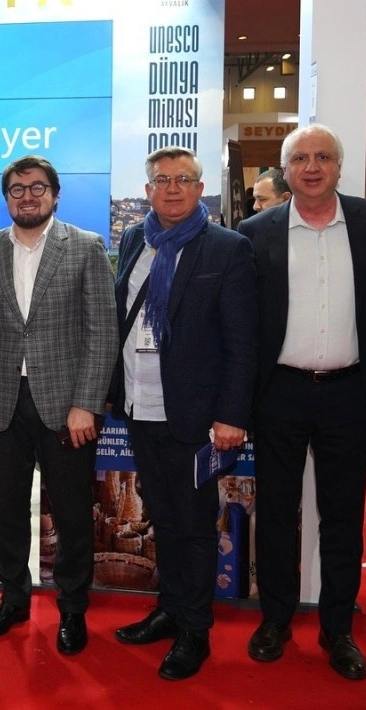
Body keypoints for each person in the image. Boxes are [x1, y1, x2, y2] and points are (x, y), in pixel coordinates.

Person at [238, 124, 366, 681]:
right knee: (276, 514)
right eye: (301, 158)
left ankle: (338, 628)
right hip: (279, 394)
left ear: (339, 166)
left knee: (343, 517)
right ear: (285, 170)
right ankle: (275, 620)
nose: (312, 167)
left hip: (349, 394)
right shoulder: (254, 231)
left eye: (323, 157)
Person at [0, 155, 117, 656]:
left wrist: (86, 403)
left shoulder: (87, 246)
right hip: (3, 402)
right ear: (6, 197)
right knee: (6, 509)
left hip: (67, 407)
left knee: (71, 514)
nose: (27, 197)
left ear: (54, 194)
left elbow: (102, 332)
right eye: (17, 189)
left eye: (37, 188)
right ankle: (12, 599)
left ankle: (72, 607)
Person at [109, 147, 257, 680]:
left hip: (195, 415)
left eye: (184, 180)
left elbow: (243, 342)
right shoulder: (134, 239)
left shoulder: (227, 249)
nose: (172, 189)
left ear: (200, 189)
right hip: (139, 406)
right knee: (164, 519)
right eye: (162, 180)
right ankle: (170, 609)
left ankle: (195, 628)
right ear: (148, 190)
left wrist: (231, 415)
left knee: (194, 526)